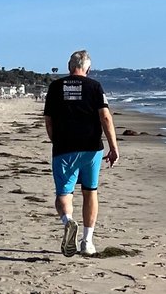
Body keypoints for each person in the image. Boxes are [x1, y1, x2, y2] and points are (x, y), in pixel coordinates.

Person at [43, 49, 119, 256]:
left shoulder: (55, 87)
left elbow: (48, 120)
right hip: (91, 148)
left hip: (63, 148)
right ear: (88, 68)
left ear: (69, 67)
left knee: (63, 194)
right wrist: (113, 147)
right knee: (90, 191)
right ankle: (87, 241)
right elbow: (105, 117)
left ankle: (68, 221)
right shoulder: (95, 87)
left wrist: (55, 140)